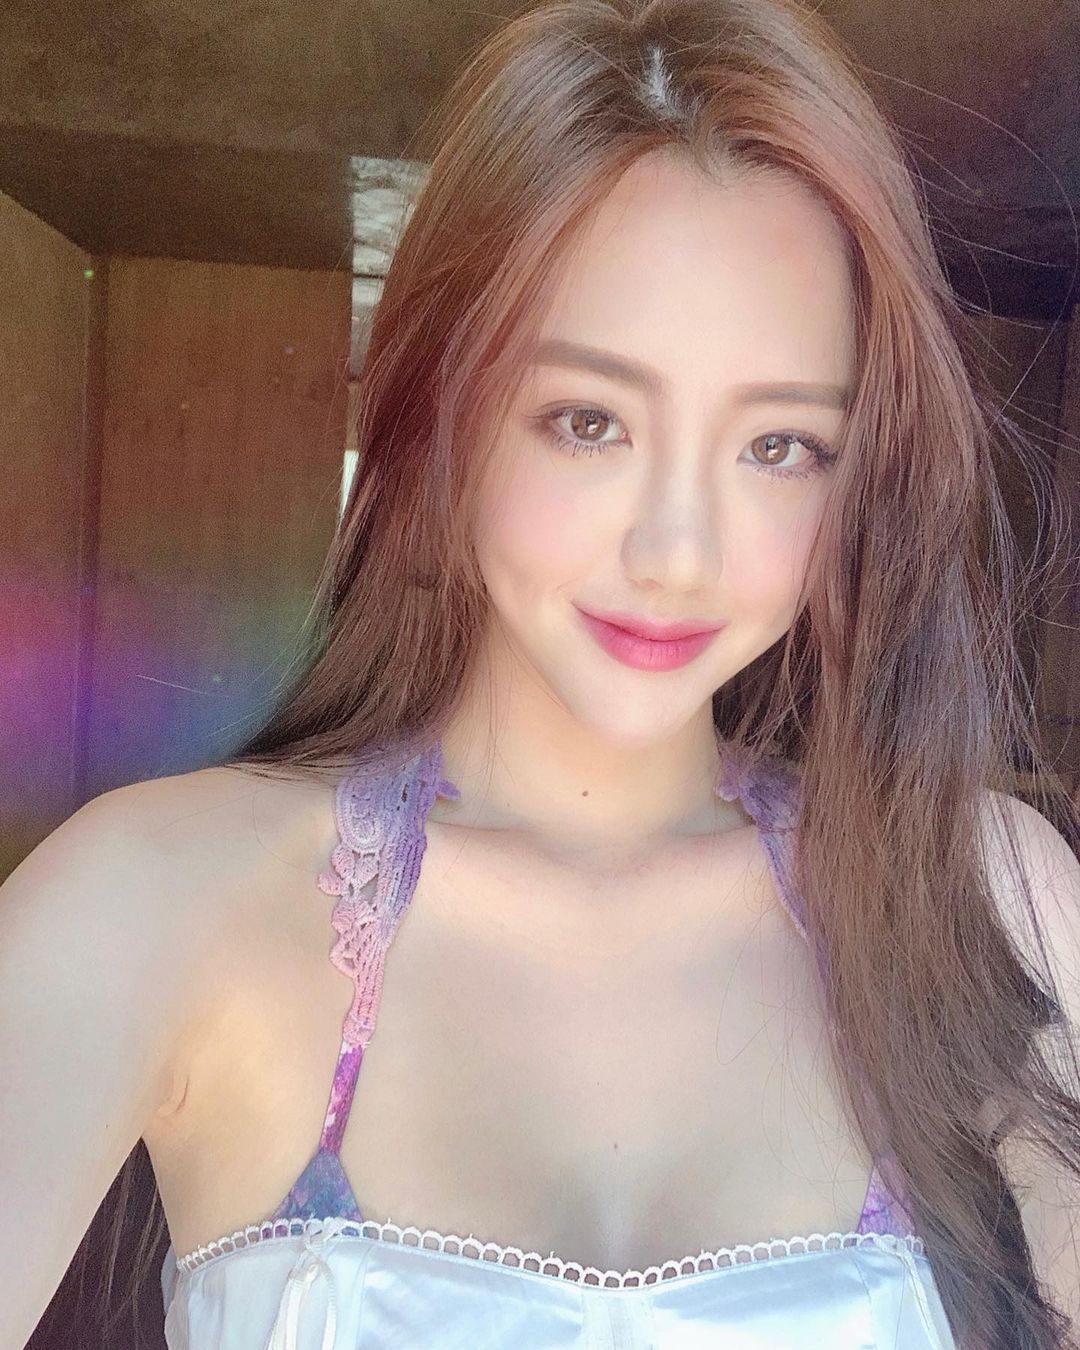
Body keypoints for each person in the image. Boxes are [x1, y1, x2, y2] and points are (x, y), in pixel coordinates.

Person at [4, 0, 1080, 1347]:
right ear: (442, 412)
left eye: (780, 447)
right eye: (588, 421)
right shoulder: (160, 897)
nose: (678, 554)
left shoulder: (979, 897)